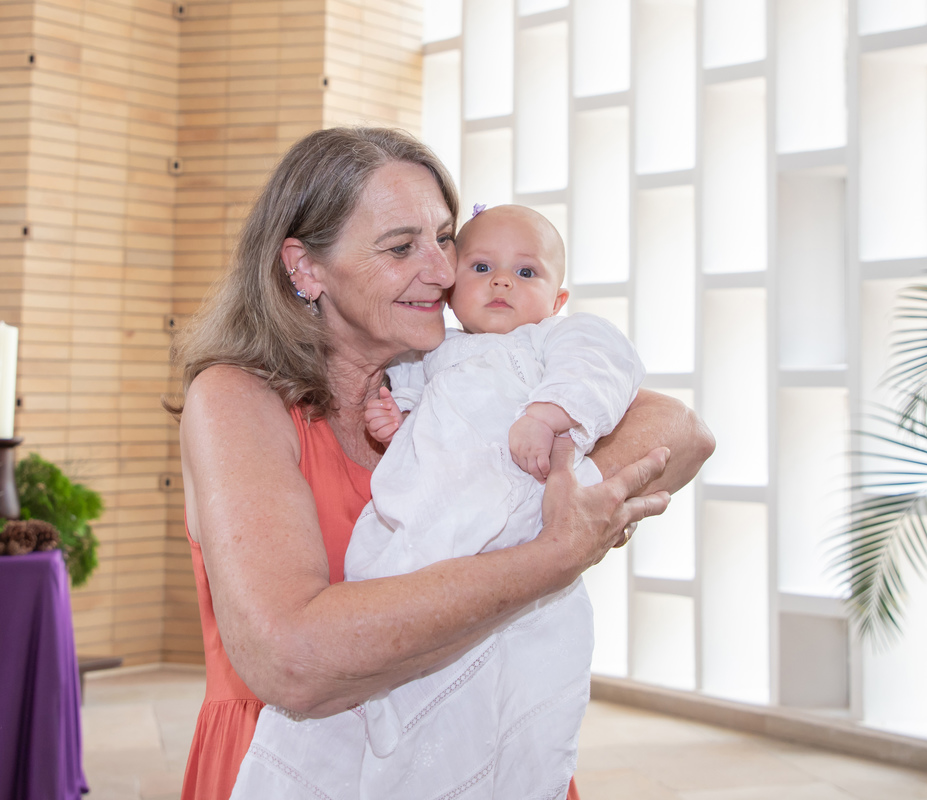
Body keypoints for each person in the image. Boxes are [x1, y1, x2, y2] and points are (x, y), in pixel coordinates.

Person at [169, 127, 715, 800]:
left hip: (486, 745)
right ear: (305, 267)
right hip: (298, 762)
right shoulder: (235, 399)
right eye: (402, 247)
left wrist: (560, 492)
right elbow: (293, 660)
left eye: (446, 238)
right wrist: (553, 551)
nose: (443, 270)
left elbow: (682, 430)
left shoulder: (464, 376)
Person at [231, 203, 647, 799]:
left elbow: (605, 367)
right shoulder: (430, 356)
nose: (502, 282)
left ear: (558, 299)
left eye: (526, 272)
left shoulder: (553, 341)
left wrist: (549, 414)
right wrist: (397, 423)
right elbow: (429, 434)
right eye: (481, 267)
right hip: (425, 537)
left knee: (515, 691)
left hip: (509, 531)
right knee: (384, 612)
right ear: (453, 292)